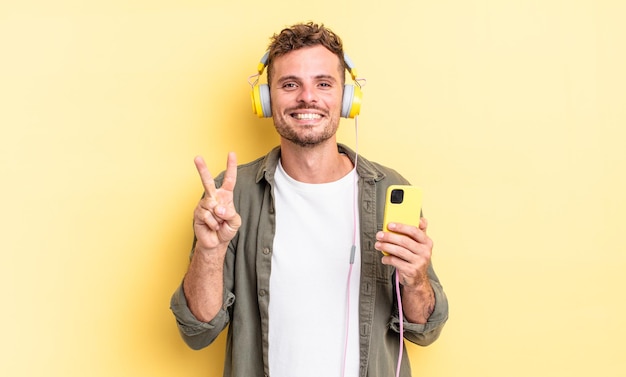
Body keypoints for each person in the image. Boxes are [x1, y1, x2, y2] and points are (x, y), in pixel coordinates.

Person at [170, 22, 448, 377]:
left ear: (346, 98)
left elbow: (427, 329)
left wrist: (417, 278)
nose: (307, 98)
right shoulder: (233, 194)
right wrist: (210, 253)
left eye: (323, 83)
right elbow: (198, 331)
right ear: (266, 99)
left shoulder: (388, 190)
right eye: (290, 85)